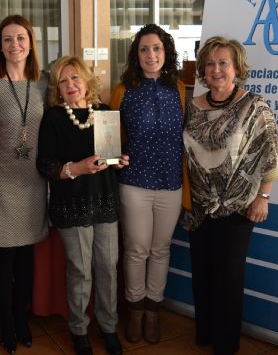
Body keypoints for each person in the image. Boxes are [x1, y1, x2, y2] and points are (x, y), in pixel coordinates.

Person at [183, 36, 278, 354]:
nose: (216, 69)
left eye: (223, 63)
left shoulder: (255, 106)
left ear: (237, 67)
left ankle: (226, 344)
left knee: (228, 277)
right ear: (202, 69)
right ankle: (206, 333)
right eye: (210, 63)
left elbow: (271, 153)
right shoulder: (192, 105)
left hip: (239, 208)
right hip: (197, 206)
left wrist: (263, 197)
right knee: (201, 272)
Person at [36, 56, 128, 355]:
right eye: (63, 81)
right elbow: (45, 165)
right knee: (80, 270)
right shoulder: (53, 118)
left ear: (87, 81)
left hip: (104, 200)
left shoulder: (104, 113)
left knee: (108, 268)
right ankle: (79, 329)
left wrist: (118, 161)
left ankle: (109, 326)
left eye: (75, 78)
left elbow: (111, 156)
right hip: (71, 204)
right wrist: (76, 168)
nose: (70, 85)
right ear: (57, 89)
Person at [109, 23, 188, 344]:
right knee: (136, 250)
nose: (151, 55)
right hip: (135, 184)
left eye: (156, 48)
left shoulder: (179, 89)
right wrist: (115, 157)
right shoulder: (122, 89)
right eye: (144, 49)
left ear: (166, 52)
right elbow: (109, 137)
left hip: (171, 182)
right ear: (136, 55)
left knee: (160, 249)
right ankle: (136, 311)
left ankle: (153, 312)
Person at [0, 14, 49, 353]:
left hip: (34, 181)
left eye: (20, 38)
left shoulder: (43, 83)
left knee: (27, 257)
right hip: (1, 180)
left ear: (31, 43)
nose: (14, 44)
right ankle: (6, 321)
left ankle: (22, 317)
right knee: (5, 257)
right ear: (0, 45)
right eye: (7, 39)